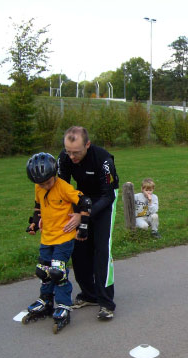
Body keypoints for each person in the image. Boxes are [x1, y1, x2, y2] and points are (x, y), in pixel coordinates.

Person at [23, 153, 91, 333]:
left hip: (64, 238)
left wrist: (82, 226)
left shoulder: (64, 187)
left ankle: (63, 305)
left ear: (55, 174)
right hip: (47, 237)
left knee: (57, 272)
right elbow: (38, 207)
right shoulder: (39, 188)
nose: (45, 186)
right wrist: (33, 223)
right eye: (41, 184)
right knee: (43, 271)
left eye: (47, 182)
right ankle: (46, 301)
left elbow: (85, 201)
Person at [57, 126, 120, 320]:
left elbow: (108, 195)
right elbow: (61, 188)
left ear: (87, 144)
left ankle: (106, 303)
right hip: (82, 199)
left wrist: (84, 216)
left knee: (102, 251)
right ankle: (89, 294)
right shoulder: (64, 158)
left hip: (104, 199)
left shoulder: (104, 160)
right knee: (79, 248)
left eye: (76, 152)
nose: (72, 157)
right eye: (68, 151)